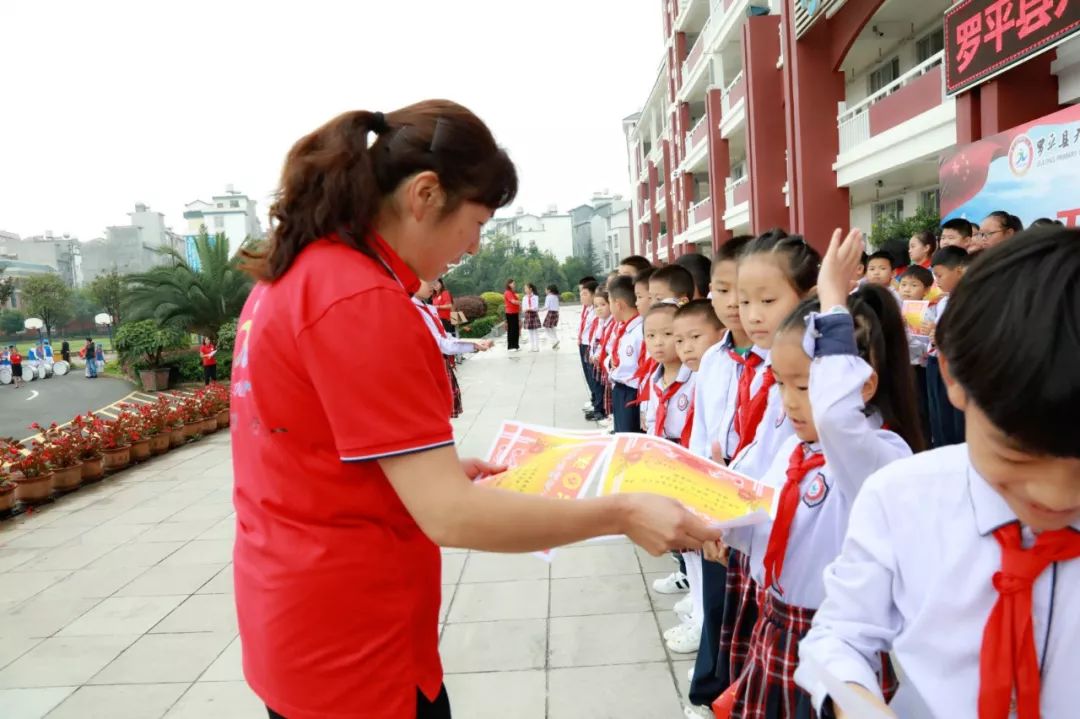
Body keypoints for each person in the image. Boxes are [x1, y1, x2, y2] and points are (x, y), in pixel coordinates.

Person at [229, 102, 720, 719]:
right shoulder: (361, 301)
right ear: (425, 195)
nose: (474, 245)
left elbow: (307, 450)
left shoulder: (291, 277)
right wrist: (620, 512)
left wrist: (426, 471)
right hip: (354, 647)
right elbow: (451, 518)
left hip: (296, 619)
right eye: (478, 221)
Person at [796, 227, 1080, 719]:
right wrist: (857, 701)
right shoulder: (903, 496)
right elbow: (841, 633)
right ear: (952, 377)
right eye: (1015, 457)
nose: (1054, 495)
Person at [712, 229, 921, 718]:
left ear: (860, 383)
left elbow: (835, 415)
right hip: (778, 622)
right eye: (782, 384)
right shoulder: (798, 449)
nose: (789, 402)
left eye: (804, 386)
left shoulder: (875, 456)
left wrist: (831, 298)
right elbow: (769, 520)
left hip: (837, 639)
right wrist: (715, 524)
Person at [708, 231, 821, 710]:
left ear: (809, 297)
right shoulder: (767, 375)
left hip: (798, 585)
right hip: (759, 561)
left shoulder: (817, 386)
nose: (750, 313)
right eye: (740, 297)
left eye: (768, 299)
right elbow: (757, 463)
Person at [684, 235, 755, 706]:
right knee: (718, 601)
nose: (731, 304)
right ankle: (713, 688)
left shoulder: (783, 360)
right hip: (717, 498)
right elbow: (701, 436)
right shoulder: (713, 358)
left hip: (763, 504)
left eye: (746, 293)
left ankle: (746, 693)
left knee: (755, 610)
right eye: (720, 290)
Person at [413, 280, 492, 418]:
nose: (433, 285)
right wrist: (473, 345)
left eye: (435, 282)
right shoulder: (414, 308)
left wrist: (474, 343)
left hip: (440, 362)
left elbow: (445, 338)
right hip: (431, 367)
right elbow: (440, 343)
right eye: (429, 281)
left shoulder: (427, 306)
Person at [923, 245, 971, 448]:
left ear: (959, 270)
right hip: (937, 361)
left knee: (958, 423)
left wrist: (943, 336)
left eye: (939, 275)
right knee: (939, 419)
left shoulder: (973, 299)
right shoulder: (943, 302)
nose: (937, 281)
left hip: (958, 365)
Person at [642, 301, 695, 443]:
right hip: (663, 447)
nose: (658, 342)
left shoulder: (696, 377)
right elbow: (652, 420)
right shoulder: (655, 378)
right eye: (650, 336)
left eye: (667, 334)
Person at [898, 264, 935, 443]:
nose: (907, 290)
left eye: (914, 286)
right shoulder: (897, 308)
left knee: (921, 410)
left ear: (927, 289)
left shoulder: (927, 312)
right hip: (902, 366)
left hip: (919, 367)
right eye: (904, 284)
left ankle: (923, 443)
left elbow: (924, 345)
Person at [606, 275, 645, 433]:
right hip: (620, 390)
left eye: (609, 302)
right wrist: (610, 362)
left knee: (630, 440)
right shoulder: (624, 328)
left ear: (618, 304)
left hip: (632, 394)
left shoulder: (641, 331)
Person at [589, 289, 615, 424]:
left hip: (607, 361)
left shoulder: (613, 322)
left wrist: (599, 354)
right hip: (599, 360)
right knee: (601, 387)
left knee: (608, 389)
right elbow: (596, 340)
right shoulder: (600, 322)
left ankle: (609, 415)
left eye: (603, 305)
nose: (599, 309)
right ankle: (606, 414)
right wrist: (593, 354)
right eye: (596, 306)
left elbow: (608, 342)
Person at [577, 278, 599, 416]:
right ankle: (594, 400)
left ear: (593, 294)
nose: (581, 296)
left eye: (584, 293)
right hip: (584, 343)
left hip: (590, 345)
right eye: (580, 293)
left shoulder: (596, 310)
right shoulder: (587, 309)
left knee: (593, 376)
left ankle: (598, 405)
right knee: (587, 374)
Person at [521, 283, 541, 352]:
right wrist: (527, 309)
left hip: (534, 314)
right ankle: (532, 347)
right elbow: (523, 308)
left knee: (535, 331)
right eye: (525, 289)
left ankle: (537, 347)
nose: (525, 290)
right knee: (530, 332)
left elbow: (536, 307)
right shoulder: (524, 298)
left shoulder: (535, 297)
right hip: (527, 315)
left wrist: (529, 308)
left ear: (530, 289)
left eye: (526, 288)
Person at [504, 279, 521, 352]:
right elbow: (513, 301)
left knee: (516, 329)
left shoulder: (512, 292)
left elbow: (515, 301)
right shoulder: (507, 292)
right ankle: (511, 347)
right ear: (509, 284)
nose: (514, 285)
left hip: (515, 312)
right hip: (510, 313)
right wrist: (521, 302)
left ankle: (516, 346)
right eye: (513, 283)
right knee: (511, 330)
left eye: (514, 283)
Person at [542, 284, 560, 350]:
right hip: (556, 313)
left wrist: (539, 309)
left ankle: (554, 341)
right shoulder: (556, 296)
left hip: (551, 313)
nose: (545, 291)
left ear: (549, 290)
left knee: (547, 328)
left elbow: (546, 307)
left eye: (546, 290)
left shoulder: (548, 297)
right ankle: (556, 342)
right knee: (552, 327)